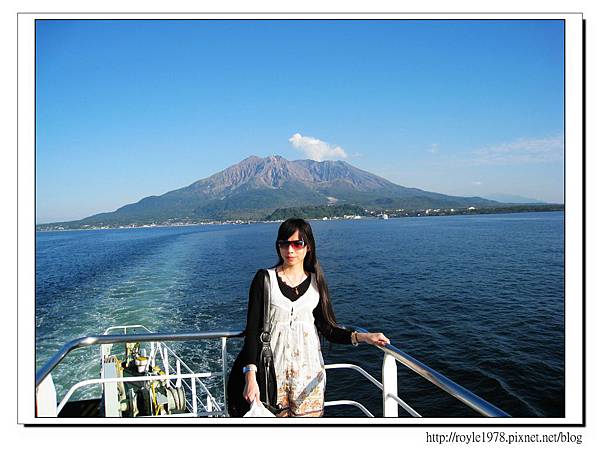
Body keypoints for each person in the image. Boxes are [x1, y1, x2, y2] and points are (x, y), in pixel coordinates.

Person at [238, 218, 390, 417]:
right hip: (272, 375)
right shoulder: (264, 279)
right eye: (284, 244)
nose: (290, 250)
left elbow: (327, 328)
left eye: (297, 244)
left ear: (308, 246)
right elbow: (252, 330)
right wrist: (250, 377)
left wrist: (363, 337)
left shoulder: (316, 282)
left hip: (308, 376)